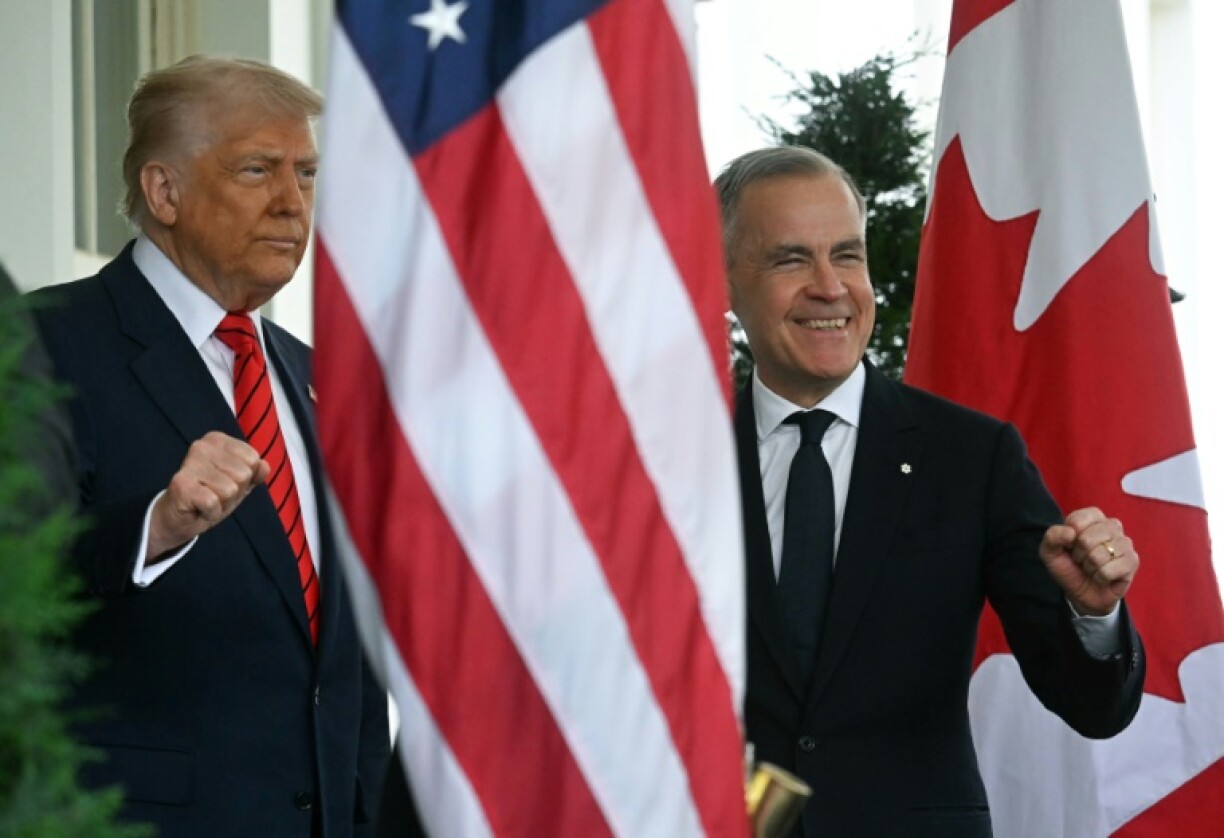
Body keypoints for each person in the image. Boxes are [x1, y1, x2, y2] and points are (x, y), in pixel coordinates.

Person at [717, 146, 1144, 838]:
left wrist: (1093, 618)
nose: (830, 287)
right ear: (724, 279)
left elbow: (1093, 706)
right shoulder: (675, 464)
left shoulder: (972, 458)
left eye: (847, 256)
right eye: (792, 259)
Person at [28, 56, 388, 837]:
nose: (293, 203)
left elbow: (342, 651)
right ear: (165, 192)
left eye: (306, 174)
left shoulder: (317, 377)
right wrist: (155, 527)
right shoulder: (37, 343)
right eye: (257, 169)